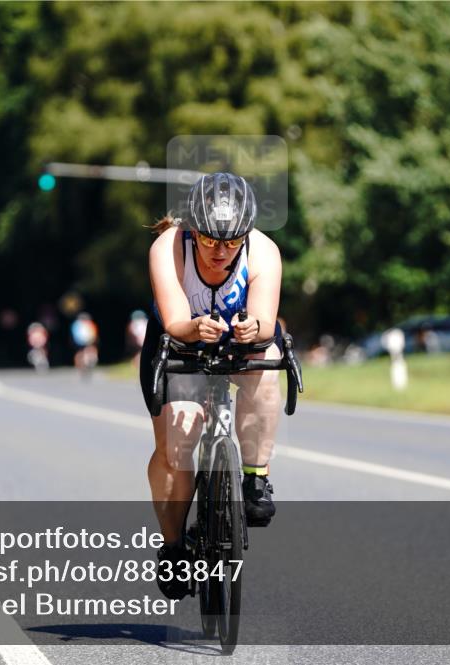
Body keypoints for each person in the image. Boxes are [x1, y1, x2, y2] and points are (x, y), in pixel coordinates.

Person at [141, 172, 283, 600]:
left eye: (232, 241)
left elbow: (264, 320)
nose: (221, 252)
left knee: (266, 370)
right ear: (192, 229)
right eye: (209, 240)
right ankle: (173, 546)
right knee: (177, 445)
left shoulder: (264, 252)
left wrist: (253, 328)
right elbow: (174, 320)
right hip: (178, 340)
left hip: (236, 341)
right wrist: (192, 328)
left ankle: (255, 477)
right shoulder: (168, 248)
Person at [70, 311, 99, 376]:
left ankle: (81, 365)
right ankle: (84, 364)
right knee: (83, 352)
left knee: (80, 353)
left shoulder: (76, 324)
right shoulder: (87, 323)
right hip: (86, 340)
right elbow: (94, 332)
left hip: (80, 341)